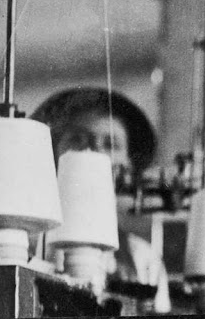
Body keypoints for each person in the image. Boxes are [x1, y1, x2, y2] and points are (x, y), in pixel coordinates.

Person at [32, 87, 166, 291]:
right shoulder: (29, 246)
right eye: (78, 140)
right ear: (54, 153)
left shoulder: (144, 260)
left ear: (128, 165)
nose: (93, 151)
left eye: (110, 144)